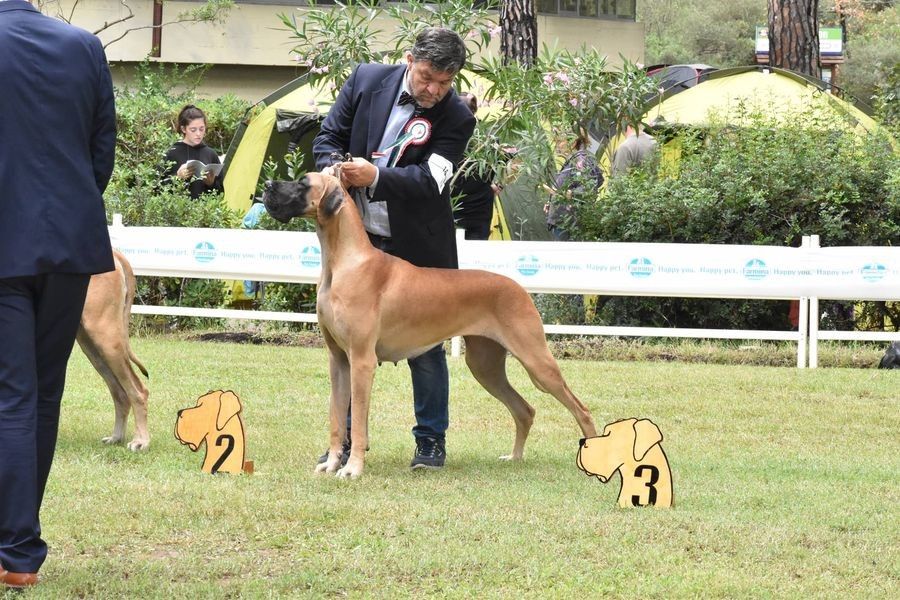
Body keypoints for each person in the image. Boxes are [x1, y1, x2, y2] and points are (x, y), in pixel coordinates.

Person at [313, 26, 476, 469]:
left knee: (427, 349)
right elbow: (327, 137)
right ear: (409, 60)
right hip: (355, 240)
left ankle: (430, 441)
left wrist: (377, 176)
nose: (434, 89)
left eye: (445, 82)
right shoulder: (365, 79)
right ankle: (344, 442)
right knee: (348, 343)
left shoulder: (457, 117)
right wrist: (334, 167)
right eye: (426, 77)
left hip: (419, 243)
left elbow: (431, 181)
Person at [0, 0, 117, 589]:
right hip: (69, 242)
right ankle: (19, 553)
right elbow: (101, 153)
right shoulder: (84, 46)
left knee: (12, 396)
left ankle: (15, 545)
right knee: (42, 396)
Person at [451, 93, 497, 240]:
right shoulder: (490, 140)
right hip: (475, 210)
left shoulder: (486, 140)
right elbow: (513, 160)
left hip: (461, 208)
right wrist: (499, 185)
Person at [545, 130, 603, 241]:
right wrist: (551, 200)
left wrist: (571, 194)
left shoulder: (581, 161)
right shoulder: (575, 160)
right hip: (565, 221)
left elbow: (589, 186)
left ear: (573, 142)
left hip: (569, 222)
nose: (557, 145)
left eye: (560, 141)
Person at [160, 104, 224, 199]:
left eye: (201, 129)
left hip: (204, 207)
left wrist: (211, 183)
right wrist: (177, 177)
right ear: (183, 129)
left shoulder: (211, 154)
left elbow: (221, 194)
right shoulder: (172, 153)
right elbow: (157, 189)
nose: (198, 134)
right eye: (193, 130)